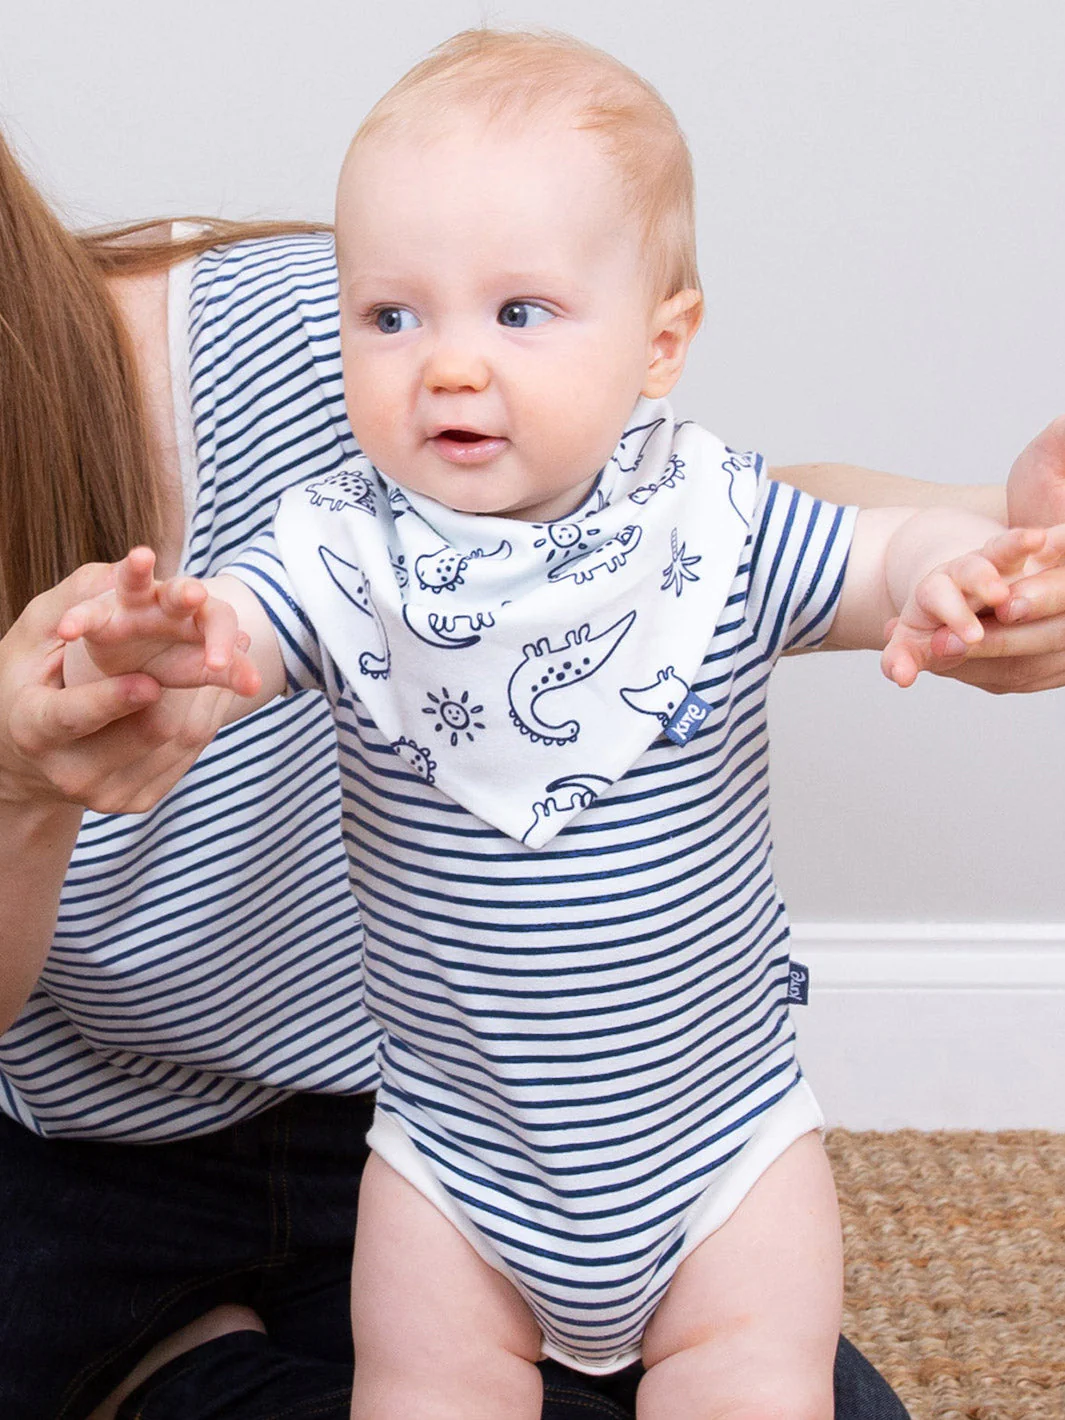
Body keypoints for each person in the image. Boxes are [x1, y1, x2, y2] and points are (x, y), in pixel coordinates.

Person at [4, 48, 1065, 1420]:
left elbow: (849, 555)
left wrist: (978, 554)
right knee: (427, 1379)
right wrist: (160, 674)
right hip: (435, 1151)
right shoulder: (350, 551)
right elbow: (243, 632)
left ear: (661, 346)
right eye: (388, 319)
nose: (445, 359)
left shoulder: (702, 512)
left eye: (518, 313)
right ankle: (183, 1363)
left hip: (713, 1143)